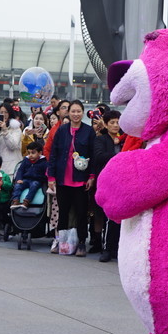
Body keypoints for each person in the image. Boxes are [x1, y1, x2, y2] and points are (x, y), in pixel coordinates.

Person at [47, 100, 96, 257]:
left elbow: (93, 156)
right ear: (68, 113)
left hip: (81, 179)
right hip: (62, 178)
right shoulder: (62, 131)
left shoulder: (89, 131)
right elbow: (54, 154)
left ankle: (81, 243)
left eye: (78, 111)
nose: (76, 114)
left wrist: (91, 176)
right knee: (63, 212)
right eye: (73, 111)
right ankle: (63, 242)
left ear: (82, 113)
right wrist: (51, 177)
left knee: (81, 212)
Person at [91, 110, 124, 262]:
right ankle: (106, 248)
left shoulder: (125, 139)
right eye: (112, 122)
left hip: (122, 182)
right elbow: (98, 157)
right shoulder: (101, 140)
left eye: (117, 122)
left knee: (120, 217)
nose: (115, 125)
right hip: (106, 182)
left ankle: (117, 248)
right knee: (107, 217)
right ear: (106, 124)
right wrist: (120, 157)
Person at [11, 140, 49, 207]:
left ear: (40, 153)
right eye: (29, 153)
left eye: (33, 153)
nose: (30, 155)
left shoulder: (44, 162)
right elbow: (20, 170)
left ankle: (26, 201)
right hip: (26, 179)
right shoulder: (26, 160)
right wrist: (19, 179)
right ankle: (15, 201)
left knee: (34, 185)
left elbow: (46, 174)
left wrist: (42, 180)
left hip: (37, 180)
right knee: (18, 185)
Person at [0, 103, 24, 175]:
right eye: (1, 112)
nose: (3, 114)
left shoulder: (15, 128)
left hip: (11, 168)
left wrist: (5, 131)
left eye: (6, 112)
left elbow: (13, 146)